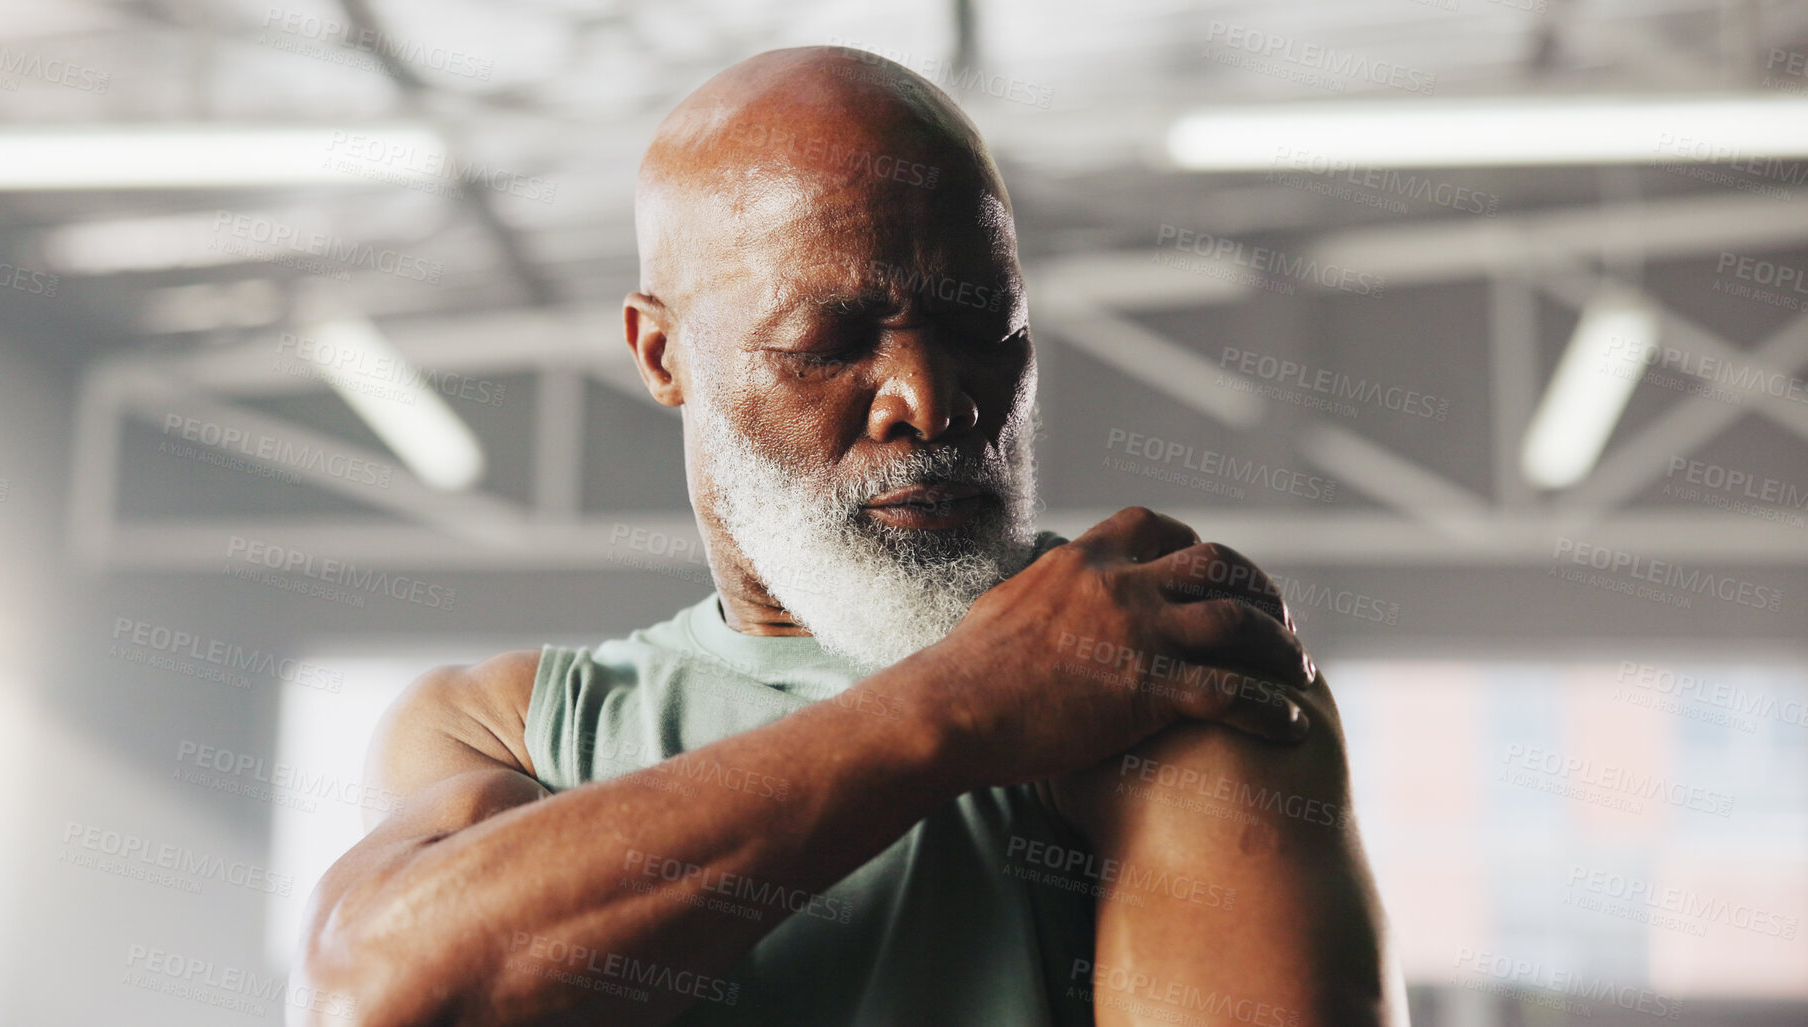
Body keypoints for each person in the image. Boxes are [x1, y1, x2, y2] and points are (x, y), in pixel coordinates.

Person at [295, 45, 1405, 1027]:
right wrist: (962, 706)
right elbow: (375, 997)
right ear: (662, 355)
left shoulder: (1160, 653)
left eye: (987, 332)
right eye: (830, 340)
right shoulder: (511, 730)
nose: (931, 398)